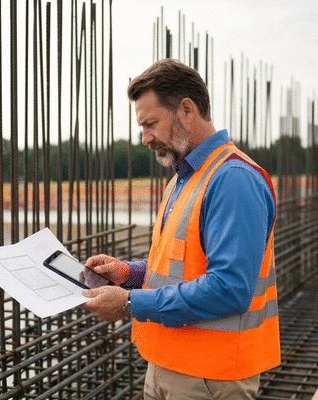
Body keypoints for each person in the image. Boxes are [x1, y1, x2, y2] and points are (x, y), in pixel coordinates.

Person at [81, 58, 280, 400]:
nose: (145, 138)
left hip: (210, 378)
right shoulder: (183, 180)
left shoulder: (232, 180)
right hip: (167, 365)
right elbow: (179, 268)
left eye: (151, 124)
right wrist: (128, 272)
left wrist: (130, 303)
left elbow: (229, 289)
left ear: (187, 110)